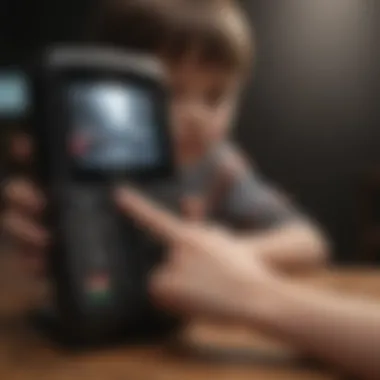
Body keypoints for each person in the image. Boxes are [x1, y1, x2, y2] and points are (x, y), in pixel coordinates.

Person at [114, 186, 380, 380]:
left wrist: (235, 272)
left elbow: (312, 242)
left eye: (214, 105)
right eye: (179, 105)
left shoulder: (224, 170)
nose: (197, 118)